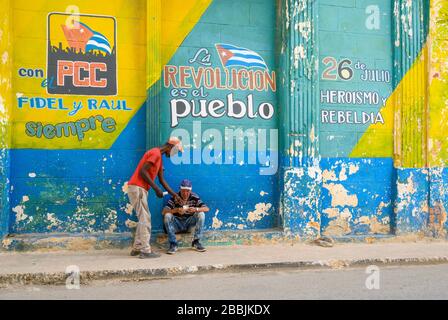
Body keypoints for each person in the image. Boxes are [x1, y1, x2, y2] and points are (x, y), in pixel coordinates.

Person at [127, 137, 184, 259]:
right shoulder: (155, 153)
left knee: (143, 218)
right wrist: (156, 189)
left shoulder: (159, 158)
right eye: (176, 151)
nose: (175, 154)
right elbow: (143, 171)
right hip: (138, 188)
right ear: (170, 146)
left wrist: (175, 195)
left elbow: (162, 180)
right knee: (145, 219)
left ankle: (137, 248)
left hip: (140, 189)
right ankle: (145, 251)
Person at [162, 179, 210, 254]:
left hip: (189, 224)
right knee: (167, 215)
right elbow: (164, 211)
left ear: (190, 191)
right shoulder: (175, 197)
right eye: (183, 191)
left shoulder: (194, 197)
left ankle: (196, 241)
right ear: (180, 190)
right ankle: (173, 244)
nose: (185, 193)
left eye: (187, 191)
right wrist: (176, 210)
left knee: (201, 214)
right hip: (176, 224)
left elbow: (207, 208)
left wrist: (196, 209)